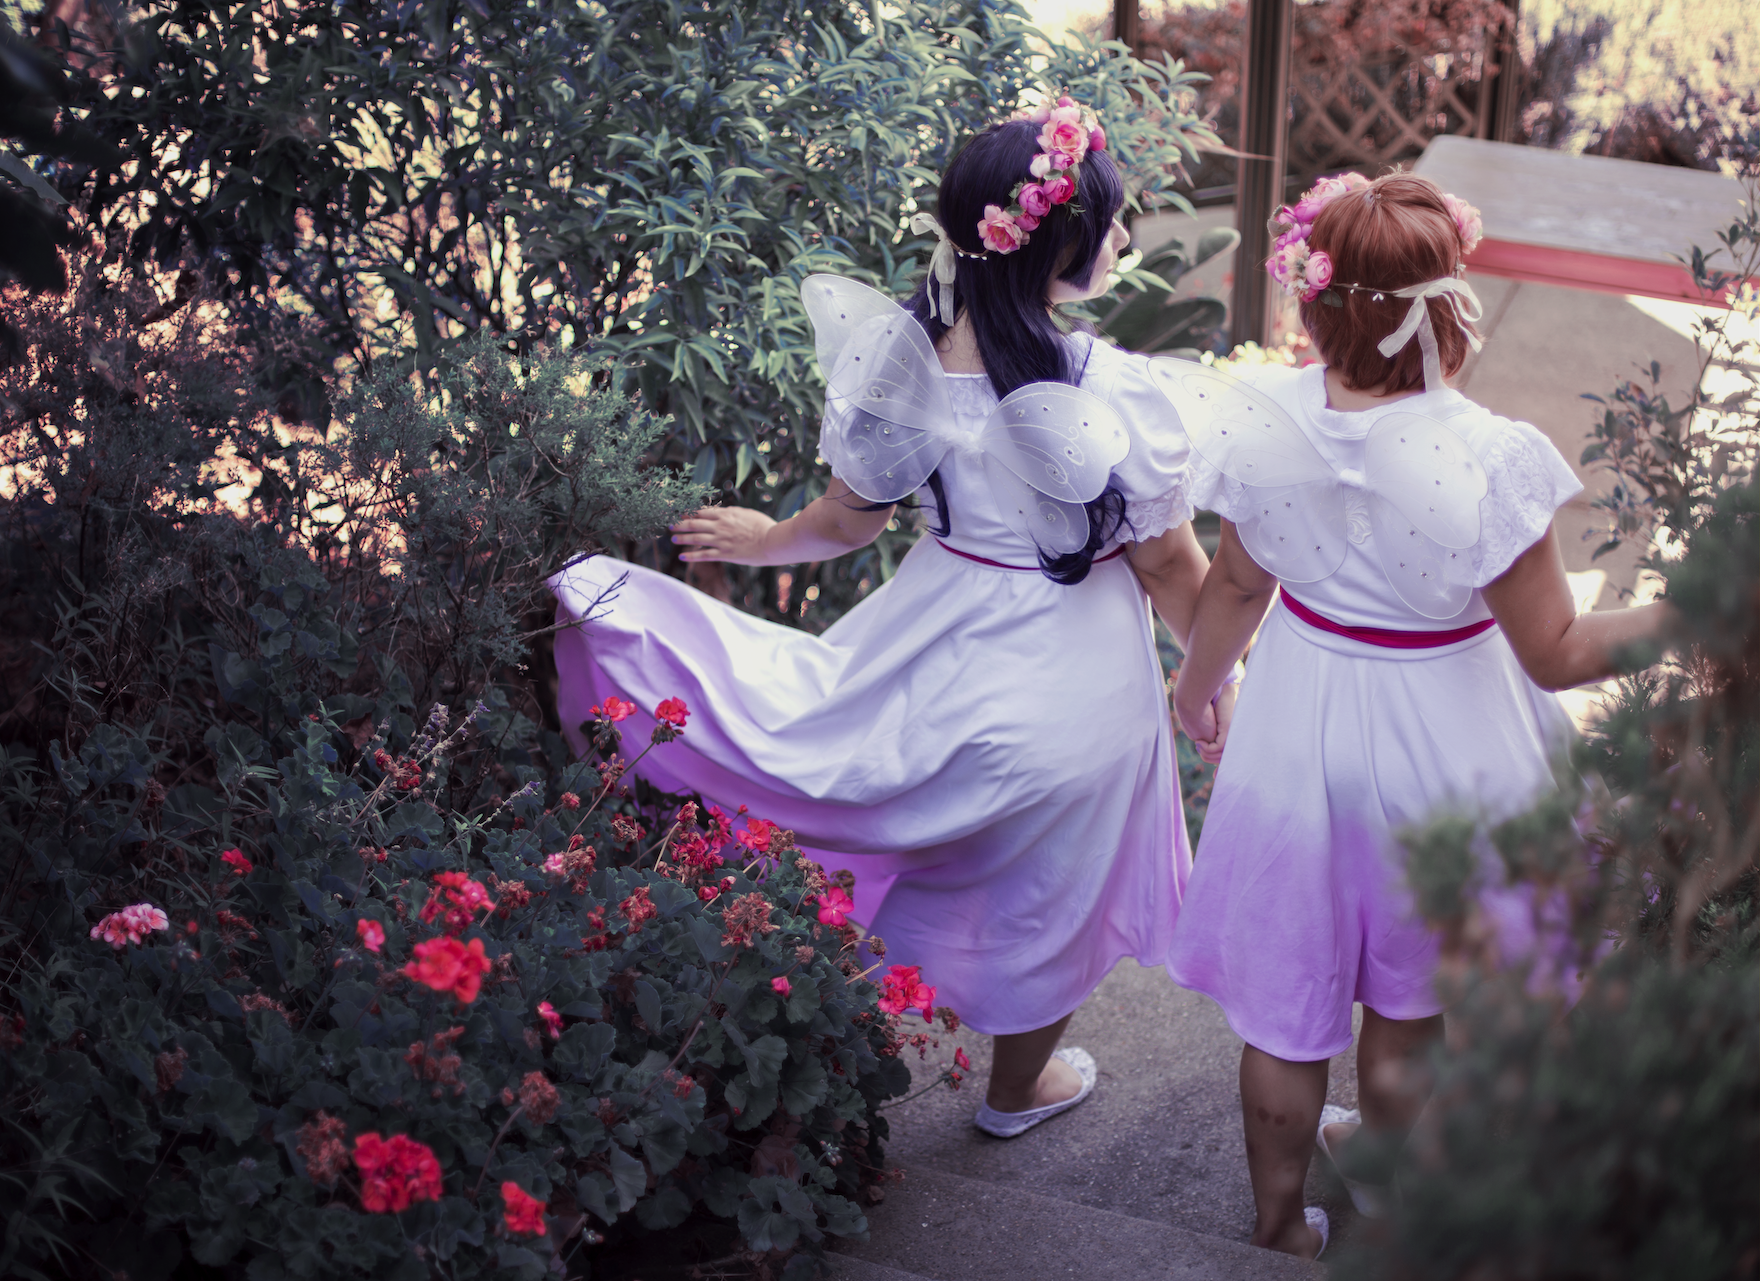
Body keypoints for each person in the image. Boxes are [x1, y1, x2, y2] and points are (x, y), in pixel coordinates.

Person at [550, 97, 1213, 1136]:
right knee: (1057, 885)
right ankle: (1014, 1091)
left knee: (862, 786)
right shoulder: (1108, 389)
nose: (1127, 238)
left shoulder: (907, 357)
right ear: (1062, 243)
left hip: (937, 638)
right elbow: (1173, 569)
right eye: (1113, 222)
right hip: (1077, 674)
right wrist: (1215, 679)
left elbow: (849, 522)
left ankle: (821, 1032)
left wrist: (763, 539)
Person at [1163, 171, 1672, 1260]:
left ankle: (1273, 1227)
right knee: (1405, 1000)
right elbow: (1560, 651)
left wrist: (1194, 690)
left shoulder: (1267, 421)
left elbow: (1240, 586)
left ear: (1316, 302)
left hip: (1296, 734)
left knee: (1288, 1007)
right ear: (1446, 310)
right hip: (1443, 747)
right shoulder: (1485, 458)